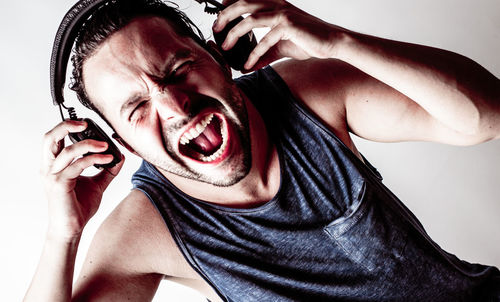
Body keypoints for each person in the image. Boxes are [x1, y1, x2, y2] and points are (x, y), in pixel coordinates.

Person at [25, 0, 500, 301]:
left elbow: (488, 116)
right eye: (135, 106)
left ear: (219, 59)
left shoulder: (305, 93)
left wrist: (336, 42)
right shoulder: (145, 228)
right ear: (119, 143)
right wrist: (62, 236)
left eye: (180, 69)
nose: (173, 106)